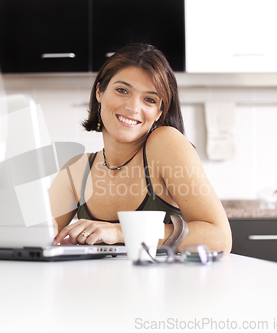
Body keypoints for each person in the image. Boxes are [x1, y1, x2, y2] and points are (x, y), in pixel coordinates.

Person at [50, 43, 232, 254]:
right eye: (122, 90)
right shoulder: (77, 170)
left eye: (149, 99)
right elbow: (35, 236)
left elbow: (219, 238)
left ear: (159, 111)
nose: (133, 107)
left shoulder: (164, 143)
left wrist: (121, 232)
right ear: (99, 91)